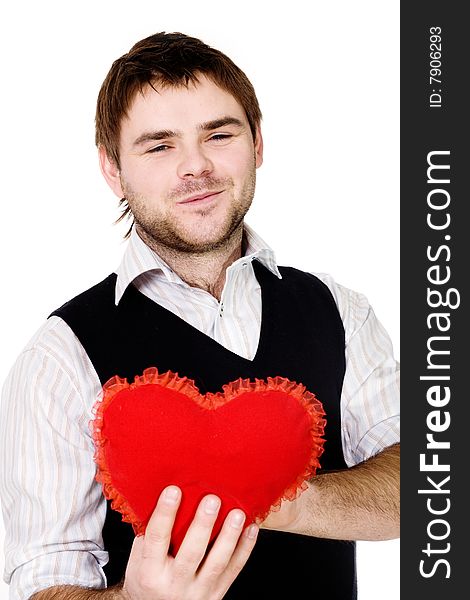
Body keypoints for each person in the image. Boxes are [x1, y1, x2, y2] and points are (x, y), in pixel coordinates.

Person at [0, 31, 399, 600]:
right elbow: (42, 584)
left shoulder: (339, 312)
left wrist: (279, 499)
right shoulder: (59, 358)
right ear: (113, 170)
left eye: (219, 134)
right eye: (159, 145)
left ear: (258, 143)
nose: (196, 166)